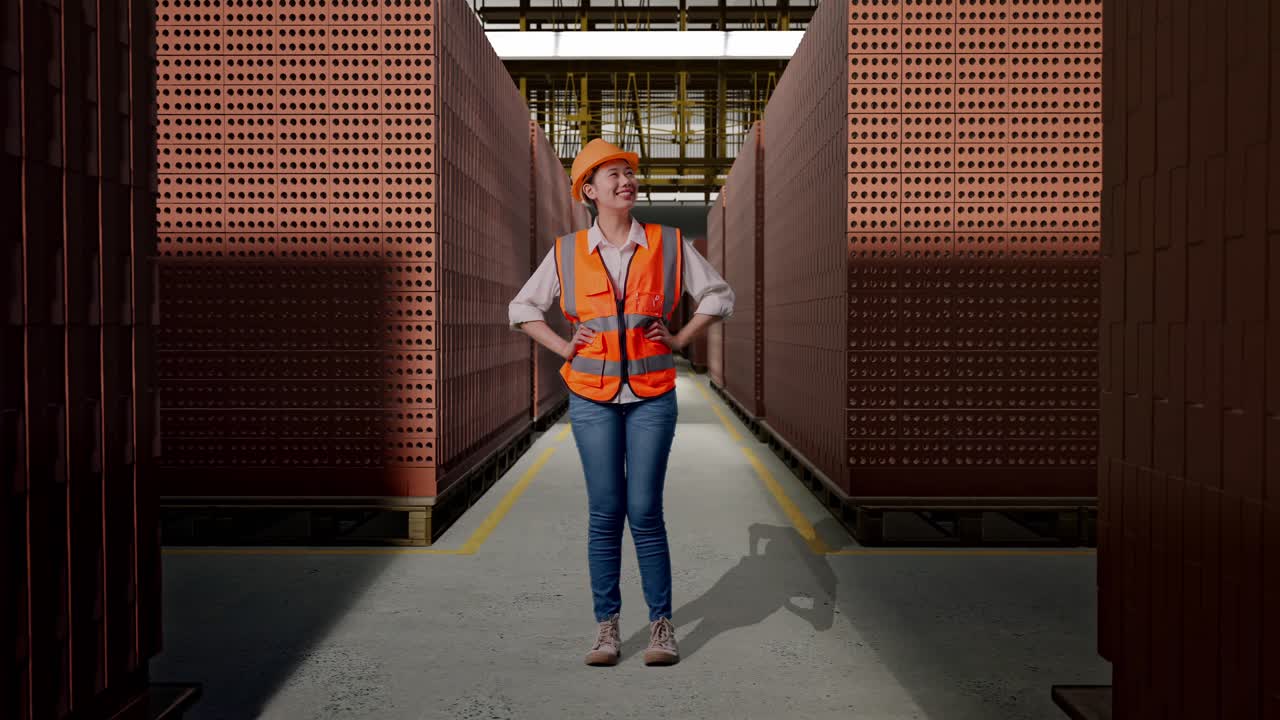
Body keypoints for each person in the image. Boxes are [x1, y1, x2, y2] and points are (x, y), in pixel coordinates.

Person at [508, 138, 734, 667]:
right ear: (589, 190)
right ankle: (607, 627)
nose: (625, 181)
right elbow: (522, 308)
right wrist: (564, 346)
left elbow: (720, 296)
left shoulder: (667, 244)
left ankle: (660, 627)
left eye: (629, 173)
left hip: (652, 396)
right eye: (612, 174)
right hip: (592, 398)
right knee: (606, 511)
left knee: (645, 511)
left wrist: (680, 339)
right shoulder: (567, 252)